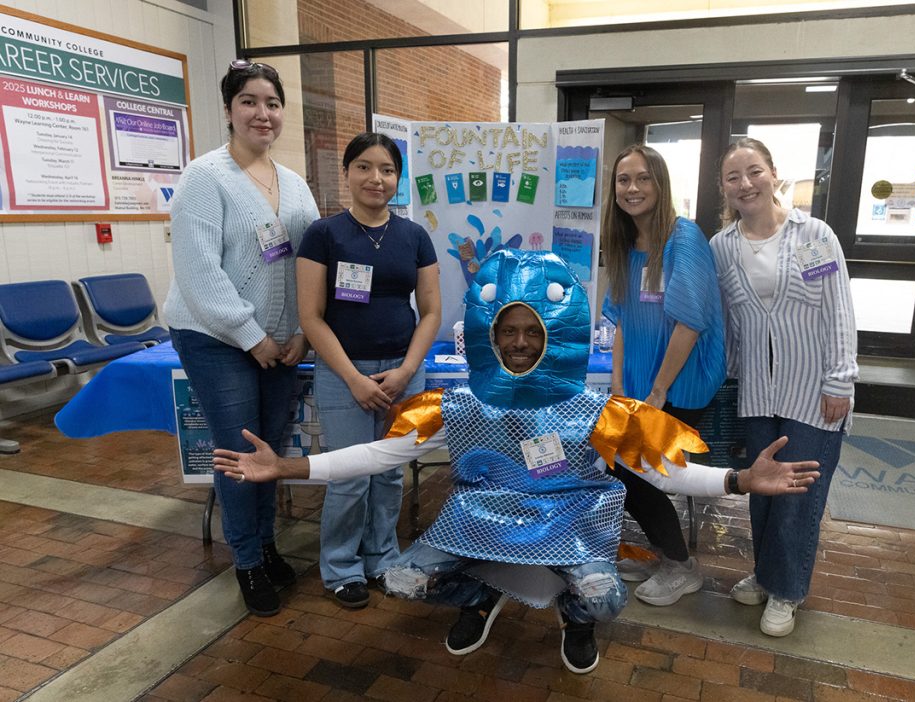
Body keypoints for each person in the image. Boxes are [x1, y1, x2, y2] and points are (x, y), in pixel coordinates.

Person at [213, 249, 821, 673]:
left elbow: (665, 471)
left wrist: (739, 479)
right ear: (489, 334)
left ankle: (574, 615)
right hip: (482, 522)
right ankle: (482, 594)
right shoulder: (458, 404)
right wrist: (287, 469)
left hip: (572, 526)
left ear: (558, 334)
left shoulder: (596, 409)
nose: (522, 341)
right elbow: (380, 453)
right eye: (509, 330)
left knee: (606, 597)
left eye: (535, 330)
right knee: (403, 577)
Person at [163, 60, 320, 617]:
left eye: (272, 103)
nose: (263, 113)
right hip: (215, 336)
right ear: (228, 110)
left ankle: (268, 544)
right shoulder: (205, 178)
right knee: (236, 452)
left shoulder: (295, 183)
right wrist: (252, 336)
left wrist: (302, 329)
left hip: (280, 342)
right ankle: (247, 561)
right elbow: (198, 272)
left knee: (267, 451)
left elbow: (310, 265)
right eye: (249, 102)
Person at [710, 137, 858, 637]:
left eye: (754, 171)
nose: (745, 183)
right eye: (734, 177)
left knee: (797, 492)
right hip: (756, 391)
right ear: (724, 189)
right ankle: (766, 573)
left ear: (773, 172)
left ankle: (788, 589)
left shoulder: (812, 235)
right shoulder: (722, 248)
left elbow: (838, 308)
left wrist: (841, 378)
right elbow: (728, 324)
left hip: (813, 391)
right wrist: (724, 379)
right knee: (762, 490)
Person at [296, 132, 441, 609]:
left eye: (386, 169)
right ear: (347, 173)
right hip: (344, 374)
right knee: (350, 475)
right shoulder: (324, 234)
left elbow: (432, 312)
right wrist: (354, 378)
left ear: (397, 178)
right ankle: (340, 567)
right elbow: (311, 317)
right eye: (364, 167)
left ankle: (382, 557)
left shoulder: (415, 236)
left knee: (390, 474)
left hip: (404, 371)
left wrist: (406, 370)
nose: (375, 178)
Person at [600, 144, 727, 606]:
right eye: (623, 180)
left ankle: (679, 565)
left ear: (661, 182)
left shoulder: (683, 238)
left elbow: (691, 321)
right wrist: (618, 385)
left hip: (680, 382)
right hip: (636, 384)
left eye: (642, 178)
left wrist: (658, 390)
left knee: (640, 474)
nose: (632, 189)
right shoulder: (623, 245)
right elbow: (619, 322)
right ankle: (666, 555)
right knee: (621, 468)